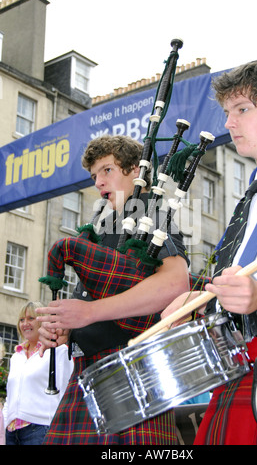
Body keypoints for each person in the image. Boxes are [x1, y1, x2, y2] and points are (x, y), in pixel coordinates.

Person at [161, 58, 257, 445]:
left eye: (243, 109)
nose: (229, 123)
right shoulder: (254, 194)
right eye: (226, 112)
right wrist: (199, 299)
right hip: (240, 359)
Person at [37, 135, 190, 445]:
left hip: (130, 367)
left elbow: (176, 285)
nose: (98, 182)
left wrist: (89, 312)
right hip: (92, 368)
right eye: (94, 175)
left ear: (137, 170)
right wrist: (70, 329)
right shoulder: (108, 228)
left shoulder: (151, 214)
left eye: (107, 170)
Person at [2, 301, 73, 445]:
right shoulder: (16, 356)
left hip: (40, 429)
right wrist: (5, 423)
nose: (25, 323)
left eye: (31, 318)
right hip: (11, 432)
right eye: (21, 320)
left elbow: (67, 391)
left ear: (42, 321)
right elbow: (10, 396)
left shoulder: (58, 351)